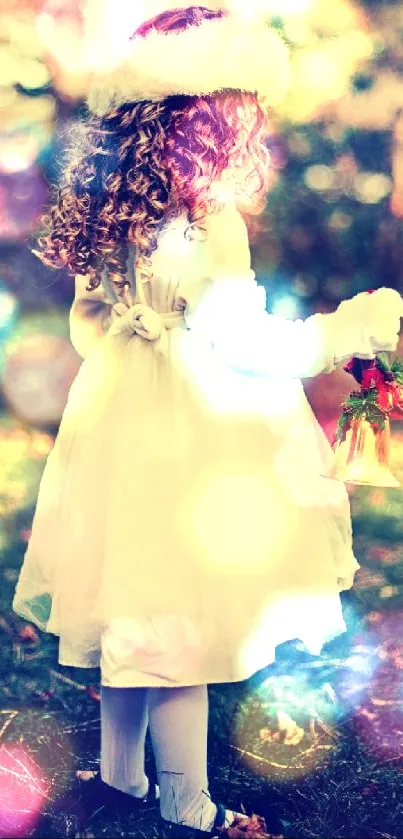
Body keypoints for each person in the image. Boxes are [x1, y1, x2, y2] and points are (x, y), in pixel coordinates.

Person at [12, 3, 403, 837]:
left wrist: (142, 334)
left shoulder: (116, 216)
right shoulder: (209, 224)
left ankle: (118, 778)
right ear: (215, 119)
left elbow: (88, 326)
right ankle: (186, 803)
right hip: (190, 437)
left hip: (118, 423)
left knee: (130, 603)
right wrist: (347, 332)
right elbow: (250, 344)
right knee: (173, 626)